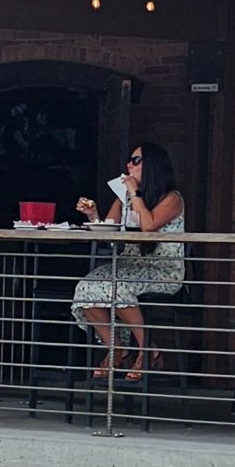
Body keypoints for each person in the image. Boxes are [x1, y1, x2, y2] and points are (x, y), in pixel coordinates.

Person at [69, 141, 186, 381]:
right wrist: (93, 216)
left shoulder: (171, 198)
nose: (129, 165)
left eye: (135, 160)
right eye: (130, 160)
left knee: (117, 287)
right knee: (85, 288)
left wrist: (134, 193)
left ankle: (146, 349)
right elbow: (110, 231)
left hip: (161, 269)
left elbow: (149, 226)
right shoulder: (124, 196)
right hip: (128, 265)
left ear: (152, 165)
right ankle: (117, 348)